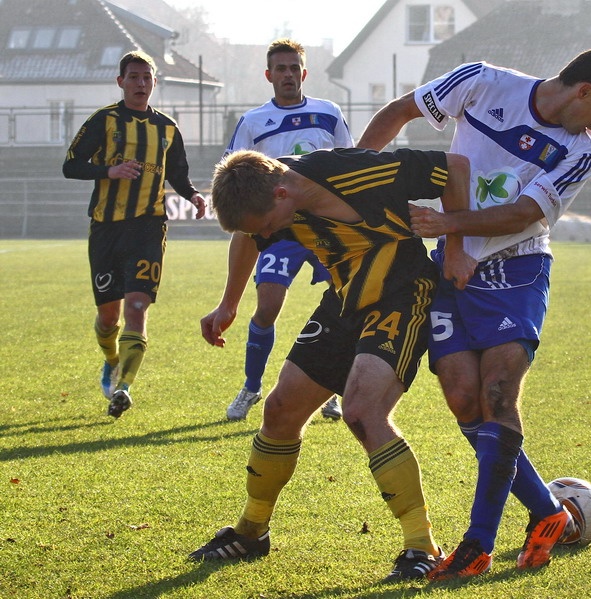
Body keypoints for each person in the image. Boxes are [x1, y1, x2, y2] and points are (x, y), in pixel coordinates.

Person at [356, 45, 591, 580]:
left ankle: (477, 544)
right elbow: (398, 113)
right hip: (452, 264)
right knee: (464, 398)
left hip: (518, 270)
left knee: (496, 394)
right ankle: (547, 513)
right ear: (584, 92)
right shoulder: (482, 82)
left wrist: (449, 227)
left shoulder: (583, 150)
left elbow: (523, 213)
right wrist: (349, 181)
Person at [189, 147, 476, 581]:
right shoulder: (269, 197)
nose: (268, 235)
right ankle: (251, 532)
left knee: (362, 411)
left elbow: (455, 167)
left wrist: (455, 243)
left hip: (402, 293)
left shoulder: (357, 173)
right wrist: (229, 303)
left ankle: (422, 546)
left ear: (283, 194)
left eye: (269, 224)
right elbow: (248, 233)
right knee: (280, 410)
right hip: (343, 301)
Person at [62, 50, 206, 418]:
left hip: (148, 226)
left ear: (155, 82)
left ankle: (123, 388)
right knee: (109, 316)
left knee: (137, 307)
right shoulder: (104, 120)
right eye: (134, 77)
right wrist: (108, 172)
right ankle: (111, 361)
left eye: (147, 77)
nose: (141, 83)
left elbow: (177, 173)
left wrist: (192, 195)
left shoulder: (168, 128)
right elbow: (71, 165)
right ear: (120, 81)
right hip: (107, 228)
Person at [222, 38, 352, 422]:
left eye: (294, 68)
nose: (288, 75)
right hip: (282, 232)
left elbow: (350, 162)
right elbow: (231, 172)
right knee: (268, 306)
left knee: (344, 304)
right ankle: (251, 386)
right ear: (269, 75)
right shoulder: (253, 122)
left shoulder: (328, 113)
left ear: (304, 73)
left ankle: (330, 389)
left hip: (327, 227)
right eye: (281, 69)